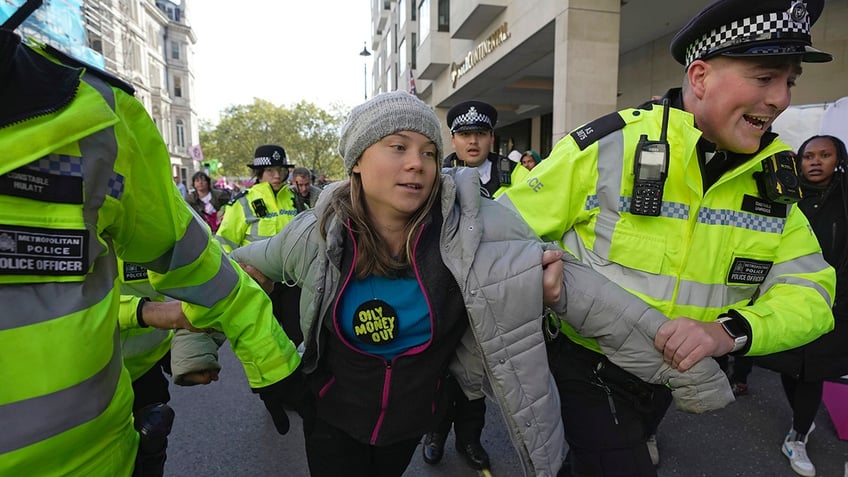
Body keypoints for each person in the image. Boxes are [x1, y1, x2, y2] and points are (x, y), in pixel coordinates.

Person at [230, 91, 735, 477]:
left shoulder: (477, 230)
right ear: (357, 161)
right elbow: (229, 274)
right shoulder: (315, 235)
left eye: (429, 151)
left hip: (409, 422)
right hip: (331, 418)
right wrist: (199, 351)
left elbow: (589, 296)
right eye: (398, 147)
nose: (417, 164)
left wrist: (692, 371)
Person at [497, 1, 837, 475]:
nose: (780, 98)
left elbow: (813, 295)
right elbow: (500, 234)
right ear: (699, 77)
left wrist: (728, 332)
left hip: (673, 379)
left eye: (789, 82)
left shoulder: (773, 181)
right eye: (764, 78)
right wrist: (539, 275)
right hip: (587, 366)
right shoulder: (607, 147)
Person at [0, 22, 301, 475]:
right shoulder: (241, 205)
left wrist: (275, 365)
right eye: (272, 170)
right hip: (135, 361)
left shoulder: (98, 120)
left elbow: (200, 270)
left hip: (110, 452)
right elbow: (216, 254)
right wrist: (150, 316)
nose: (279, 176)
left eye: (283, 170)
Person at [756, 135, 848, 477]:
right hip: (789, 293)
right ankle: (802, 422)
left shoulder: (843, 194)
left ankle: (797, 434)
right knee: (792, 365)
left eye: (825, 155)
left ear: (838, 158)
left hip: (833, 301)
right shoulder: (786, 194)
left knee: (813, 369)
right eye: (808, 155)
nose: (815, 161)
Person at [216, 144, 299, 253]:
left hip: (293, 269)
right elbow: (224, 245)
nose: (277, 175)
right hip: (251, 269)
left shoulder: (296, 199)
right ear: (259, 173)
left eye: (281, 170)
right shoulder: (243, 202)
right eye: (270, 170)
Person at [442, 100, 516, 198]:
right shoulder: (439, 176)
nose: (473, 141)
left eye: (481, 133)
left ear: (491, 138)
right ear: (453, 140)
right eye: (465, 134)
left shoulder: (515, 172)